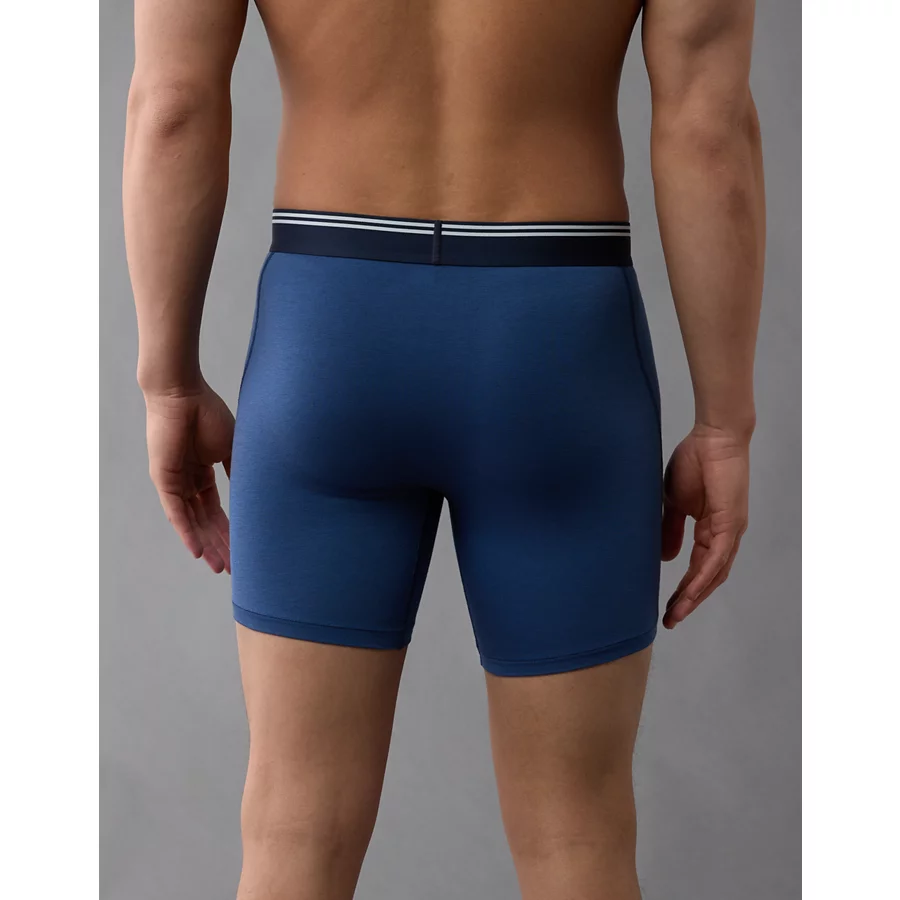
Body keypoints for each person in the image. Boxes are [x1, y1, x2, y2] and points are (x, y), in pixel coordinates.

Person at [123, 0, 763, 896]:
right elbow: (707, 131)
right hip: (556, 343)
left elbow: (172, 107)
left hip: (331, 334)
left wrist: (168, 381)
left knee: (292, 827)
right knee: (577, 835)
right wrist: (724, 422)